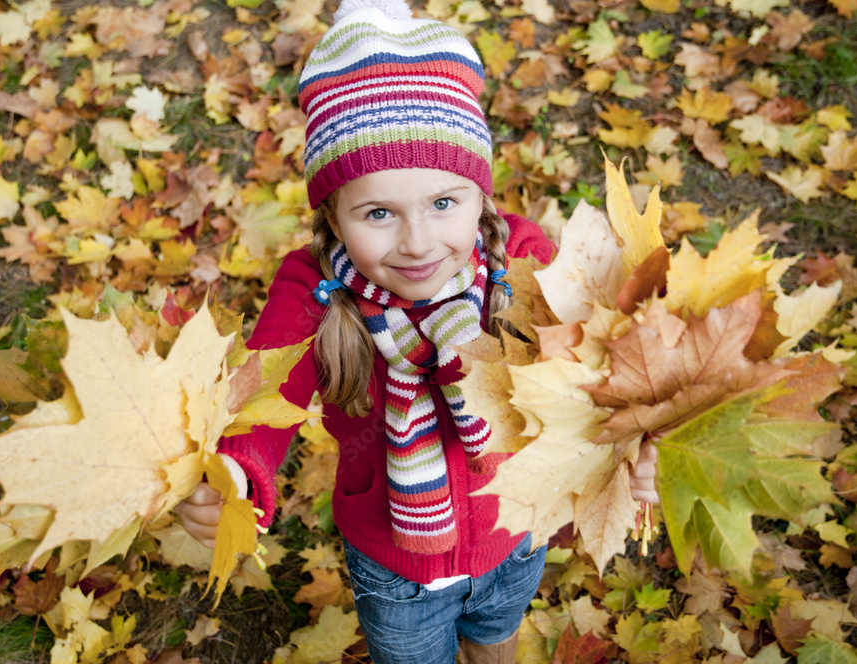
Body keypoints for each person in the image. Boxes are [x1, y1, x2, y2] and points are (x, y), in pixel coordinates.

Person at [176, 1, 659, 662]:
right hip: (395, 569)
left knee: (497, 640)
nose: (418, 242)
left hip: (516, 535)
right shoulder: (313, 291)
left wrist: (638, 445)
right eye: (378, 212)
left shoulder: (521, 261)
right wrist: (235, 472)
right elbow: (262, 399)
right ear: (334, 217)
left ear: (480, 195)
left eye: (443, 203)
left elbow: (601, 369)